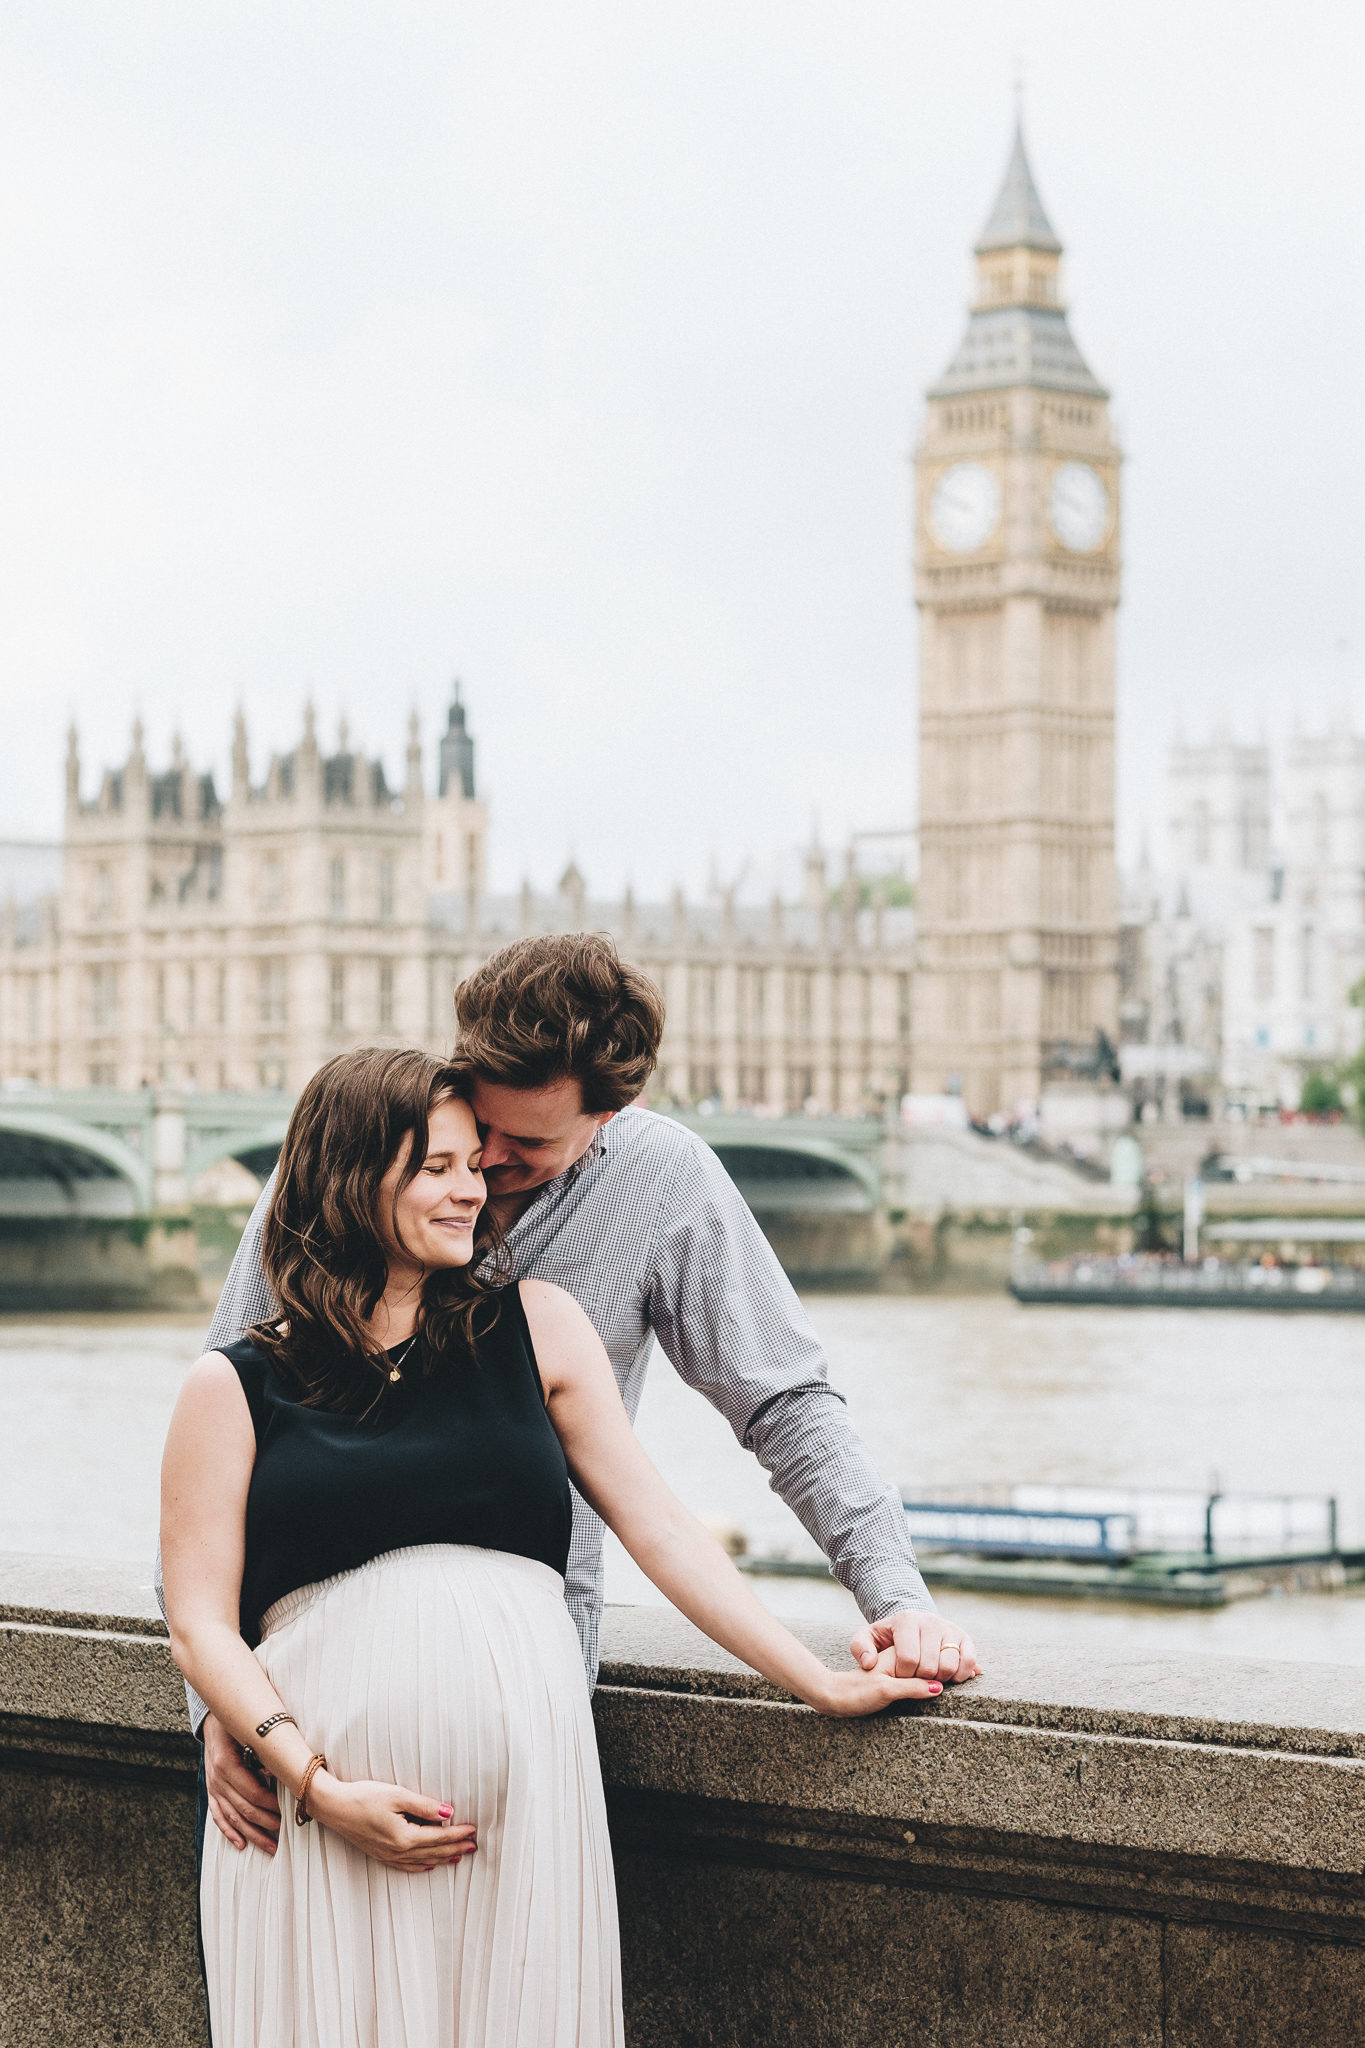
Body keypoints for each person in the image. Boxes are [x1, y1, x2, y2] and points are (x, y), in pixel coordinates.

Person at [161, 1047, 947, 2046]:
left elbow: (664, 1527)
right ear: (355, 1176)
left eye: (476, 1163)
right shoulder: (231, 1385)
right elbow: (195, 1616)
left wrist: (821, 1676)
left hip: (523, 1815)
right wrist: (312, 1777)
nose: (474, 1184)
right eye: (438, 1164)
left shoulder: (542, 1327)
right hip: (320, 1820)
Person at [184, 932, 979, 1858]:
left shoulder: (661, 1184)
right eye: (474, 1128)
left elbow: (783, 1406)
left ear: (610, 1114)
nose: (482, 1164)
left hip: (529, 1708)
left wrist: (894, 1598)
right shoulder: (344, 1166)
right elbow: (212, 1459)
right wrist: (218, 1712)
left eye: (523, 1144)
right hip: (289, 1736)